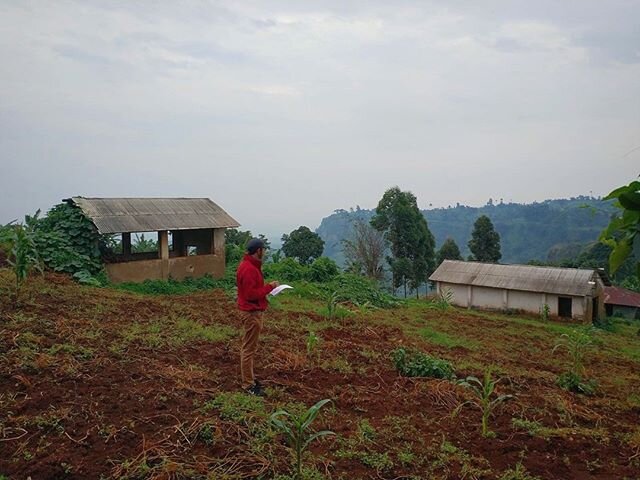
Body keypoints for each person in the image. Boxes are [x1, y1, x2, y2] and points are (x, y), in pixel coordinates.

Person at [236, 238, 279, 396]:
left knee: (249, 347)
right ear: (258, 251)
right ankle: (248, 385)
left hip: (251, 310)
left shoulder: (249, 266)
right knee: (248, 349)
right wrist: (269, 287)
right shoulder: (249, 269)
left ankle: (250, 379)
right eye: (264, 249)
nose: (265, 252)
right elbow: (250, 294)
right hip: (251, 312)